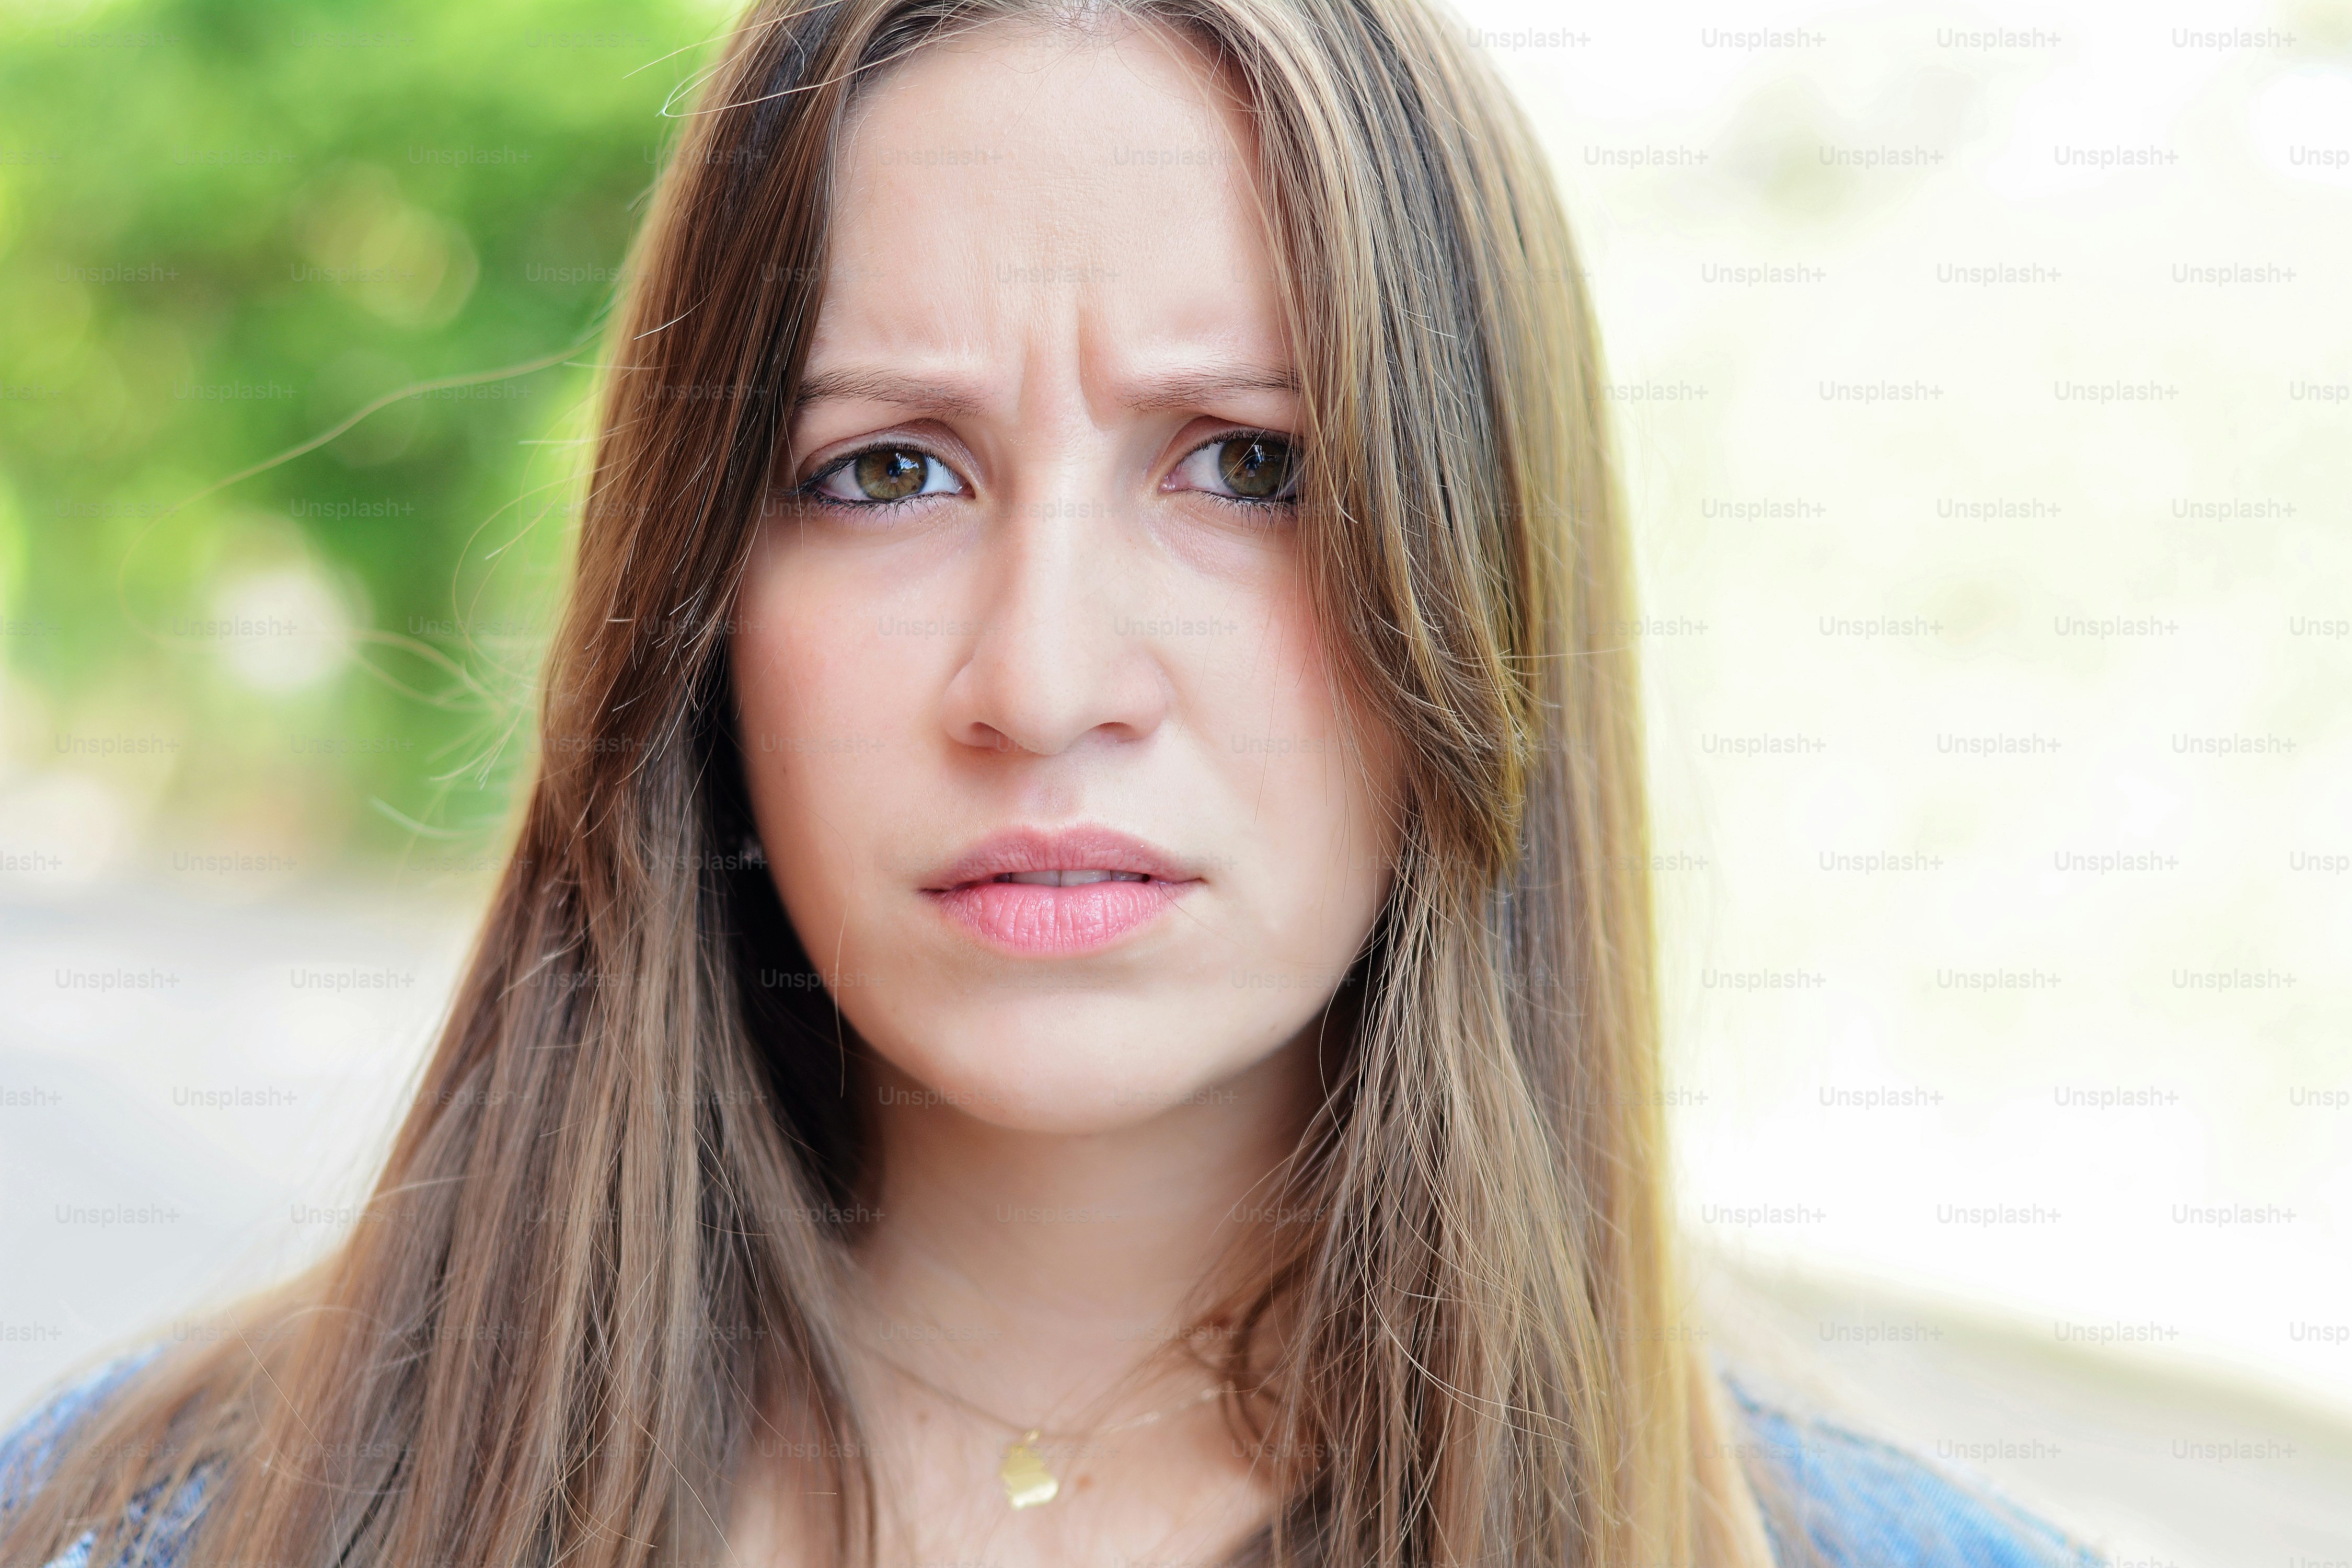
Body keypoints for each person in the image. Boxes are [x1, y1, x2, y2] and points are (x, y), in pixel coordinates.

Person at [0, 3, 2104, 1565]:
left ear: (1483, 577)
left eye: (1251, 466)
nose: (1045, 677)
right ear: (697, 604)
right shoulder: (137, 1523)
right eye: (886, 471)